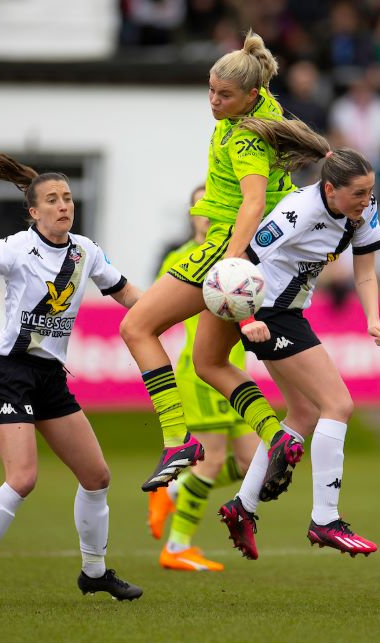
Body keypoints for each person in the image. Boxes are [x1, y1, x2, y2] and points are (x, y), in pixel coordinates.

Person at [0, 142, 144, 606]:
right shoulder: (18, 247)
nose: (63, 205)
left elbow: (129, 294)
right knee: (23, 478)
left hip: (50, 377)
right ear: (33, 212)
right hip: (9, 375)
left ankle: (93, 572)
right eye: (53, 200)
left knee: (97, 476)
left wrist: (180, 307)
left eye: (69, 198)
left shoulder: (87, 252)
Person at [121, 30, 322, 496]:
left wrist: (231, 265)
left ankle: (176, 440)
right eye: (211, 89)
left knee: (136, 328)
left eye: (224, 94)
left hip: (224, 247)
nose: (213, 100)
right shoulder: (268, 109)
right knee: (210, 361)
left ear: (251, 95)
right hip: (265, 254)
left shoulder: (244, 137)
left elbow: (251, 205)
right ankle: (274, 437)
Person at [191, 147, 380, 560]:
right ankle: (325, 519)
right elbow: (238, 264)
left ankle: (242, 507)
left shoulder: (362, 210)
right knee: (338, 404)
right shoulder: (297, 210)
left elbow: (366, 271)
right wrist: (246, 321)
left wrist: (373, 318)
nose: (367, 200)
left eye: (371, 191)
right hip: (268, 311)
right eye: (359, 193)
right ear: (330, 189)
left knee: (304, 415)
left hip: (289, 311)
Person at [148, 184, 260, 572]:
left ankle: (175, 490)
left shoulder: (238, 257)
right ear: (191, 215)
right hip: (201, 373)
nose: (207, 215)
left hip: (235, 369)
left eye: (213, 208)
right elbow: (157, 312)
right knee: (209, 463)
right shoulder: (182, 259)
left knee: (252, 463)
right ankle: (177, 546)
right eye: (200, 209)